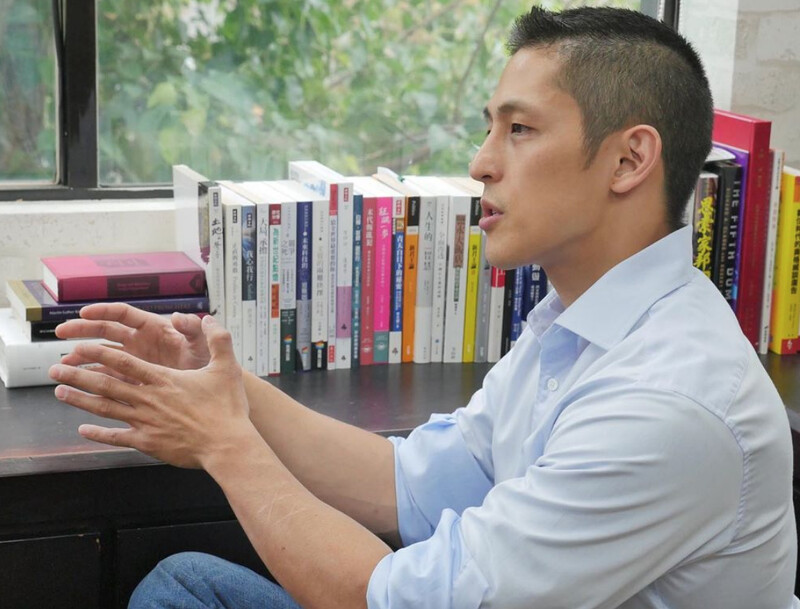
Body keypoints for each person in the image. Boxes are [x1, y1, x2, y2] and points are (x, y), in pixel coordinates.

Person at [49, 6, 799, 609]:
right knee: (187, 583)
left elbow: (388, 600)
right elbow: (407, 483)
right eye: (490, 126)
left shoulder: (669, 404)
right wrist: (228, 389)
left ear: (630, 160)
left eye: (520, 129)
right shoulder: (576, 325)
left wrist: (224, 443)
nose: (481, 161)